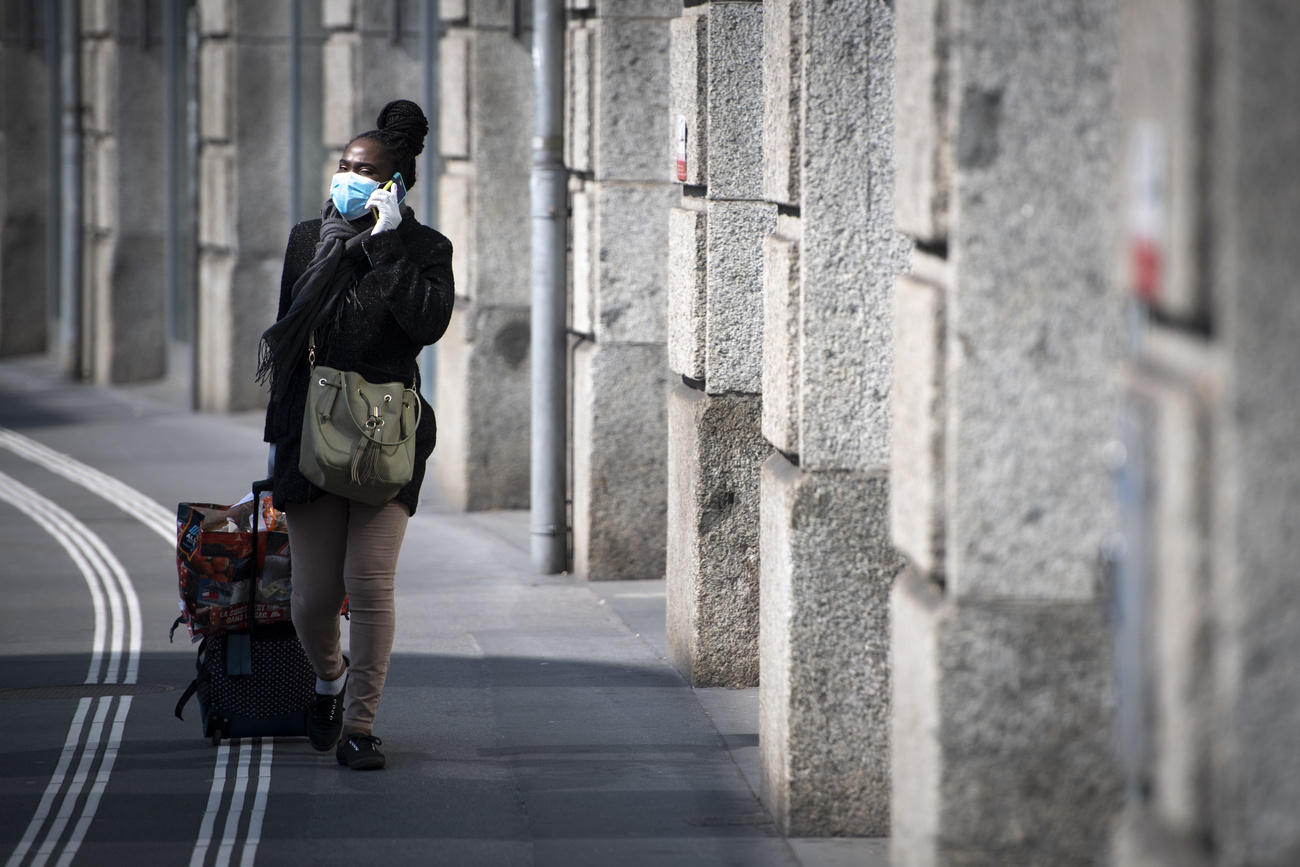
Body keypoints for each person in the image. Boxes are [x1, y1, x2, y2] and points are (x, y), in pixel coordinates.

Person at [257, 99, 453, 771]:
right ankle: (330, 678)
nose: (349, 176)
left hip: (383, 436)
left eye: (365, 170)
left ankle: (361, 727)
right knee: (312, 598)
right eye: (344, 165)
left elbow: (426, 324)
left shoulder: (425, 249)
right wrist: (279, 454)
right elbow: (288, 346)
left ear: (394, 183)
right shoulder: (308, 240)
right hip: (311, 438)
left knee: (369, 585)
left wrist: (387, 244)